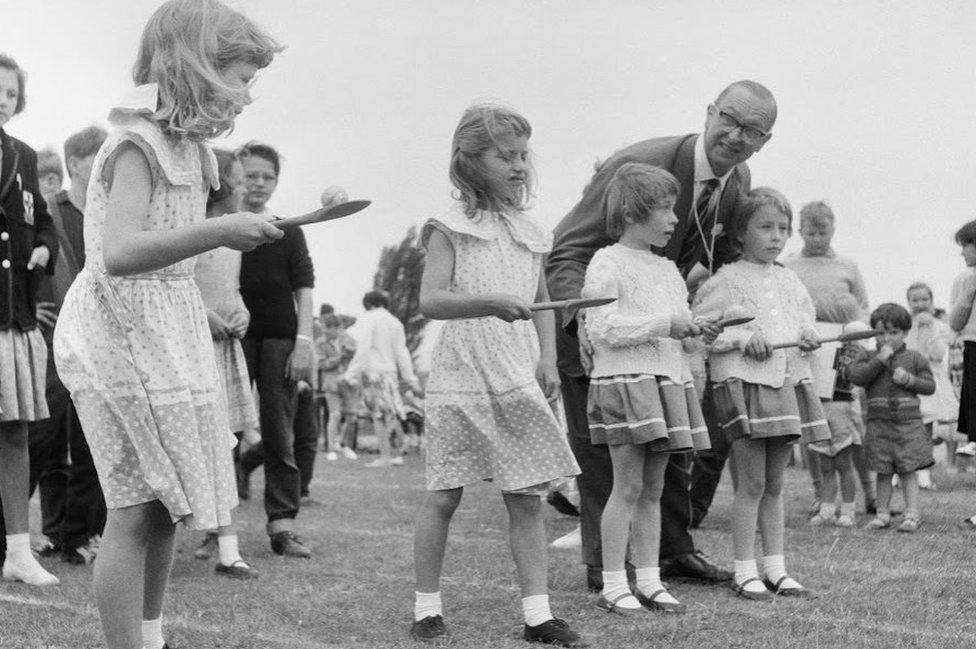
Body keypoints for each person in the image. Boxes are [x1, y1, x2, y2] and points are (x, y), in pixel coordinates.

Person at [52, 3, 283, 647]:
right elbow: (121, 253)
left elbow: (177, 249)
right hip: (119, 338)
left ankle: (150, 638)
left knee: (165, 507)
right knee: (133, 506)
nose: (245, 95)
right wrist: (219, 229)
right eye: (238, 78)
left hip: (168, 333)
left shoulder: (195, 153)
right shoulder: (136, 144)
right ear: (194, 69)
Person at [547, 80, 777, 590]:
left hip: (663, 334)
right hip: (597, 324)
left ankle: (672, 552)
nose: (736, 137)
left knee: (670, 439)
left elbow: (716, 263)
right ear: (709, 112)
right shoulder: (639, 165)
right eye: (730, 120)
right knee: (604, 449)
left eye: (753, 131)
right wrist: (581, 320)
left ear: (765, 141)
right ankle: (604, 565)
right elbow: (566, 250)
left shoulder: (737, 183)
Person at [411, 104, 583, 646]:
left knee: (526, 494)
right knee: (445, 494)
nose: (518, 165)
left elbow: (544, 302)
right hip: (463, 370)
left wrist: (549, 359)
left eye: (522, 155)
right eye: (504, 155)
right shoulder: (450, 228)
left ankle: (537, 614)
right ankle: (426, 607)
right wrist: (487, 303)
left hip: (515, 369)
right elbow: (431, 300)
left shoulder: (533, 230)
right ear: (470, 160)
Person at [582, 163, 717, 617]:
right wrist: (666, 323)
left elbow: (679, 331)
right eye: (665, 209)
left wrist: (698, 334)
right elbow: (602, 329)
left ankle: (650, 579)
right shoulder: (607, 262)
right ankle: (614, 582)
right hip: (624, 382)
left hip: (665, 381)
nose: (675, 219)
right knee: (627, 484)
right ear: (635, 212)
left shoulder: (667, 269)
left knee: (656, 487)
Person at [692, 188, 829, 601]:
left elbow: (805, 322)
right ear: (740, 233)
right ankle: (744, 570)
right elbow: (704, 332)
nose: (776, 237)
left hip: (783, 385)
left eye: (783, 229)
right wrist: (741, 338)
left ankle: (776, 568)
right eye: (765, 227)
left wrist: (807, 337)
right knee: (749, 483)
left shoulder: (791, 280)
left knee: (775, 484)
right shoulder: (726, 280)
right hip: (747, 388)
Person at [236, 141, 330, 555]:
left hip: (279, 340)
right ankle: (214, 531)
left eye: (267, 176)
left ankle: (282, 525)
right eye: (251, 174)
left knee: (279, 434)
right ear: (237, 176)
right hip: (229, 337)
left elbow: (304, 290)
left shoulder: (289, 229)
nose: (259, 183)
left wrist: (303, 343)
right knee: (221, 433)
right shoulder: (220, 227)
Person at [23, 126, 109, 566]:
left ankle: (77, 536)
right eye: (99, 156)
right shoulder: (48, 212)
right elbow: (25, 261)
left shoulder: (109, 213)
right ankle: (13, 536)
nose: (107, 165)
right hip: (52, 346)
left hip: (98, 348)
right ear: (75, 163)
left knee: (94, 444)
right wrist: (28, 305)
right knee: (40, 439)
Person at [0, 53, 61, 586]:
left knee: (15, 431)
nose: (3, 101)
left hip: (10, 313)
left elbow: (42, 221)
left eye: (11, 94)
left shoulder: (22, 154)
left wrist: (42, 247)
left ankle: (18, 551)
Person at [191, 149, 260, 580]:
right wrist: (206, 317)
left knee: (222, 448)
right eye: (235, 182)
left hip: (223, 349)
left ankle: (228, 549)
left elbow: (230, 289)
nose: (243, 190)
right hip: (192, 349)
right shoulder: (193, 231)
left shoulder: (234, 240)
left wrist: (240, 313)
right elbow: (176, 285)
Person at [783, 201, 875, 516]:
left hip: (844, 356)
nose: (818, 238)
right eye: (811, 232)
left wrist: (859, 346)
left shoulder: (848, 265)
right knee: (814, 427)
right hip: (806, 352)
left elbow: (862, 307)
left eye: (823, 231)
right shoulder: (789, 266)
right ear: (800, 231)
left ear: (833, 229)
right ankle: (820, 493)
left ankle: (868, 491)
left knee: (851, 424)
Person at [849, 303, 935, 533]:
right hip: (879, 425)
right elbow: (856, 376)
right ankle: (882, 514)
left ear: (905, 332)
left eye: (893, 332)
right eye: (880, 333)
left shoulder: (914, 358)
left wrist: (910, 381)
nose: (886, 338)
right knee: (883, 470)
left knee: (908, 470)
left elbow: (930, 386)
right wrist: (879, 360)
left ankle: (912, 515)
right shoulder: (867, 356)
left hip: (908, 426)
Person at [807, 295, 870, 527]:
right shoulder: (815, 338)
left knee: (844, 462)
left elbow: (853, 379)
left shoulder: (855, 349)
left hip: (842, 406)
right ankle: (826, 508)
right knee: (824, 464)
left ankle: (848, 510)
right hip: (820, 406)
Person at [343, 290, 421, 468]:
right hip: (390, 372)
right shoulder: (395, 322)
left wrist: (351, 373)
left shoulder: (368, 318)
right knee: (391, 413)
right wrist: (411, 379)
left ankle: (385, 457)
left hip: (373, 371)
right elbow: (402, 352)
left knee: (378, 415)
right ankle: (398, 452)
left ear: (368, 304)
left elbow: (363, 347)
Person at [906, 282, 958, 488]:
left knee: (925, 428)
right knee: (905, 428)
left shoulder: (940, 326)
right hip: (907, 379)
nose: (920, 304)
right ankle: (900, 471)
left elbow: (937, 354)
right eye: (915, 300)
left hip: (930, 380)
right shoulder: (904, 324)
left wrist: (927, 330)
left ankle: (923, 473)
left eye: (924, 299)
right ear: (908, 302)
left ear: (932, 301)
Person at [948, 221, 976, 462]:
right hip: (973, 343)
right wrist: (968, 295)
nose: (961, 252)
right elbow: (955, 323)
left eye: (965, 245)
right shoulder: (964, 279)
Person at [315, 307, 356, 460]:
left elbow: (356, 358)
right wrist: (339, 358)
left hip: (349, 382)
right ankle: (331, 448)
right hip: (331, 382)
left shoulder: (349, 340)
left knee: (352, 417)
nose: (325, 331)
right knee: (335, 414)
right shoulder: (320, 343)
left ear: (337, 328)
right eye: (324, 328)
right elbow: (322, 364)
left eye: (327, 328)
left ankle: (344, 445)